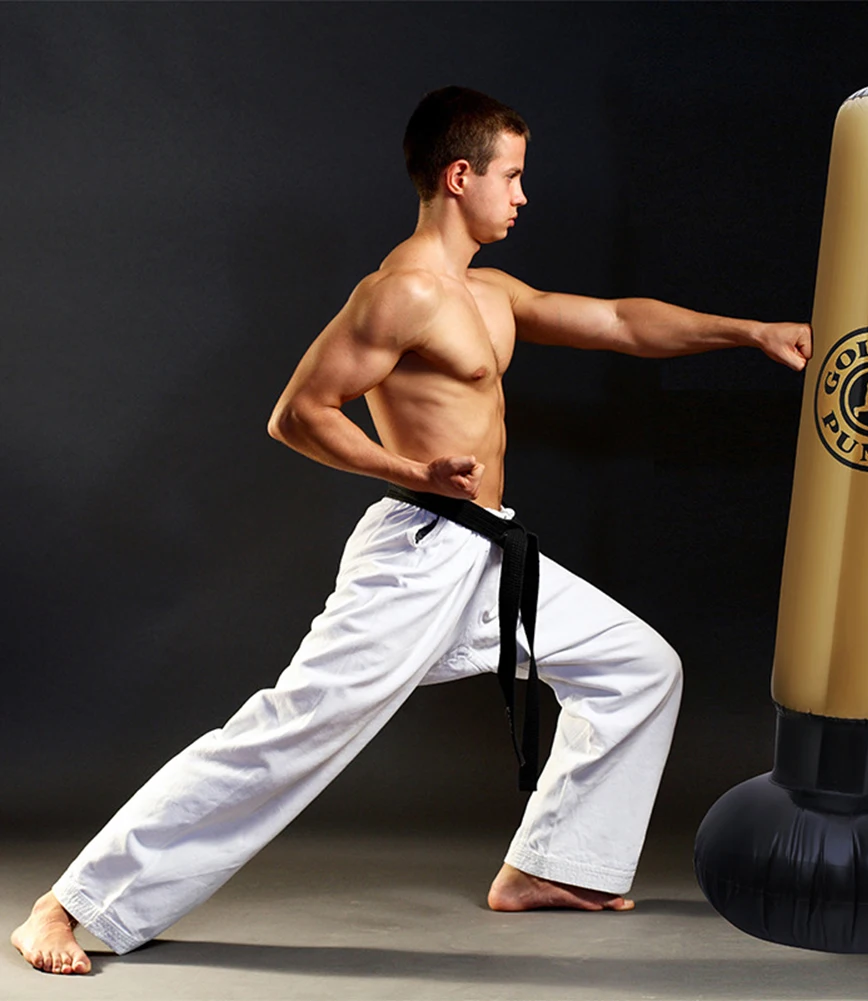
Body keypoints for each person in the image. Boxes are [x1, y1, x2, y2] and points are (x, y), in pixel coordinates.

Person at [12, 85, 812, 976]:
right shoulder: (398, 294)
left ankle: (549, 868)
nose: (521, 196)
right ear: (459, 175)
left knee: (638, 668)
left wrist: (751, 332)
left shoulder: (490, 292)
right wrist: (411, 471)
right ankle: (70, 903)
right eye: (510, 176)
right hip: (418, 553)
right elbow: (298, 413)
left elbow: (620, 321)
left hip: (486, 550)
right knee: (289, 732)